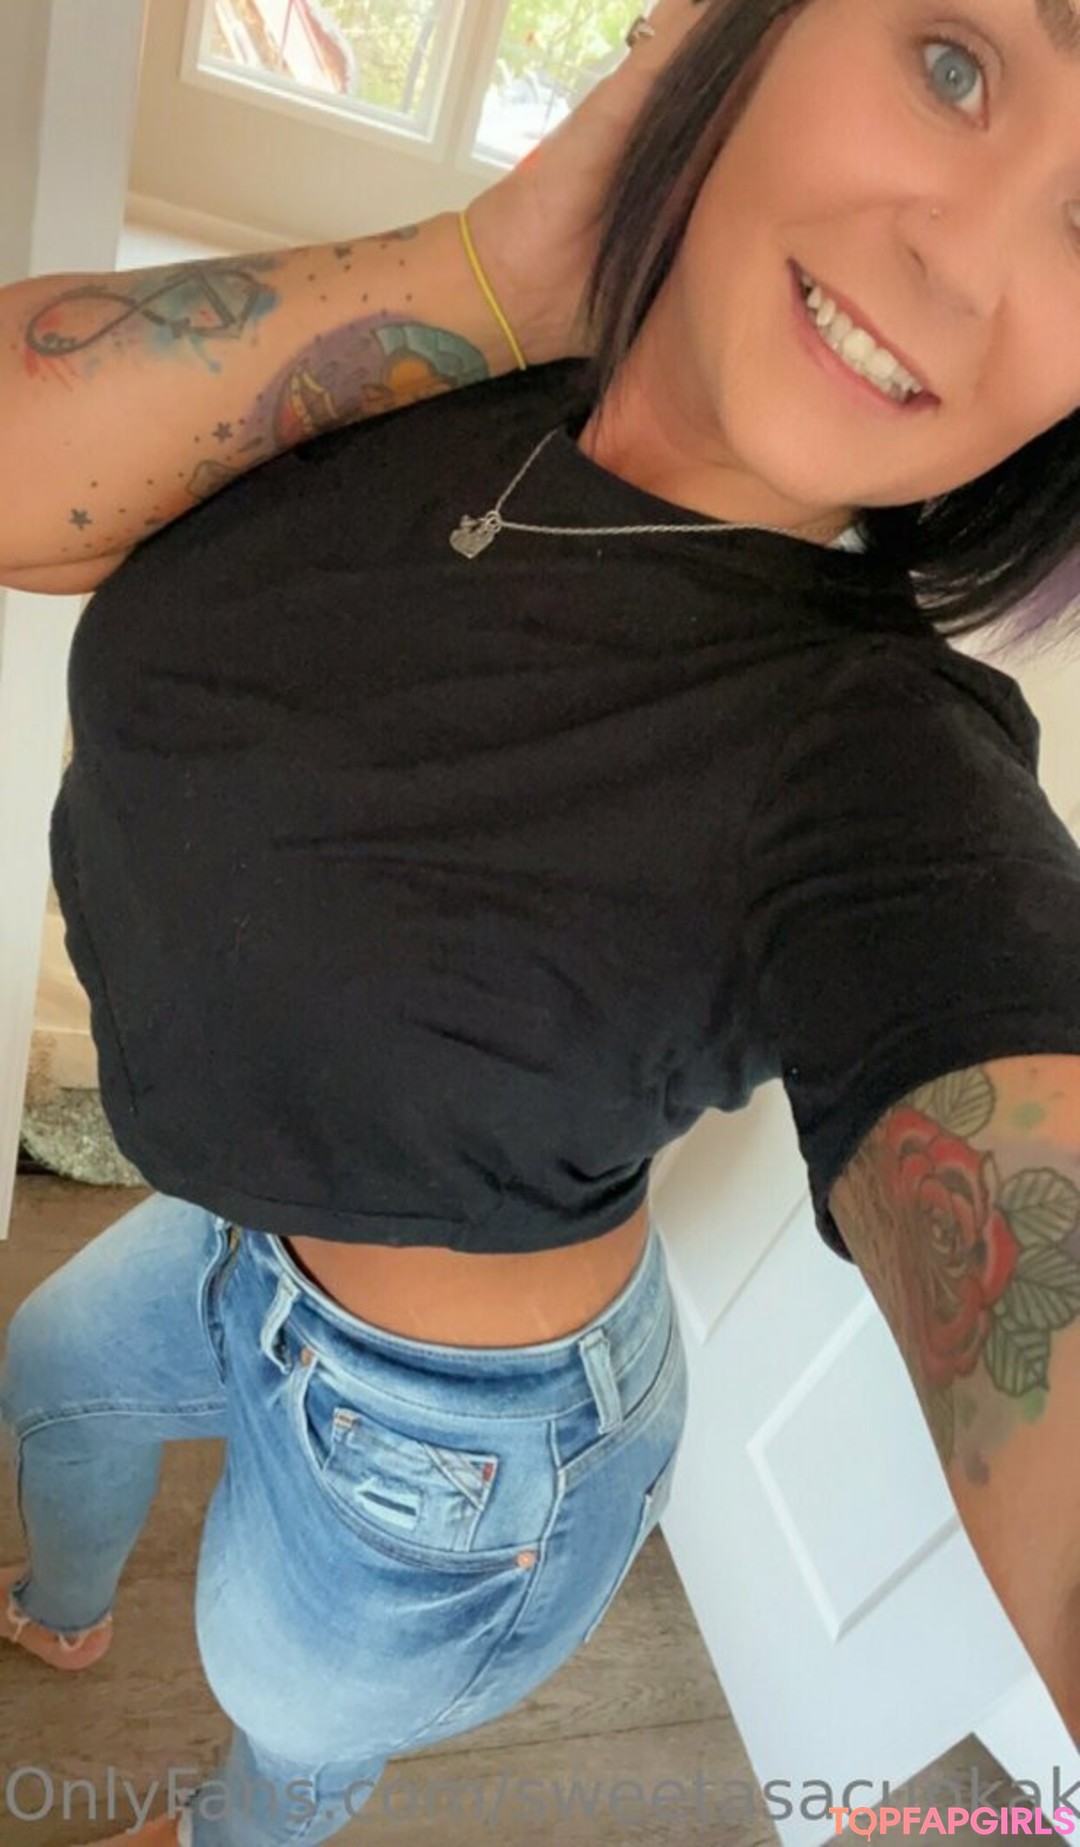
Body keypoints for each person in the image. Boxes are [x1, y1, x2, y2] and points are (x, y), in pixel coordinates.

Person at [2, 0, 1080, 1840]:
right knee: (46, 1382)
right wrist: (499, 261)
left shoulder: (885, 764)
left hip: (453, 1452)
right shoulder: (447, 367)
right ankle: (65, 1614)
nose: (962, 265)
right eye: (956, 66)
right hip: (236, 1231)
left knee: (280, 1722)